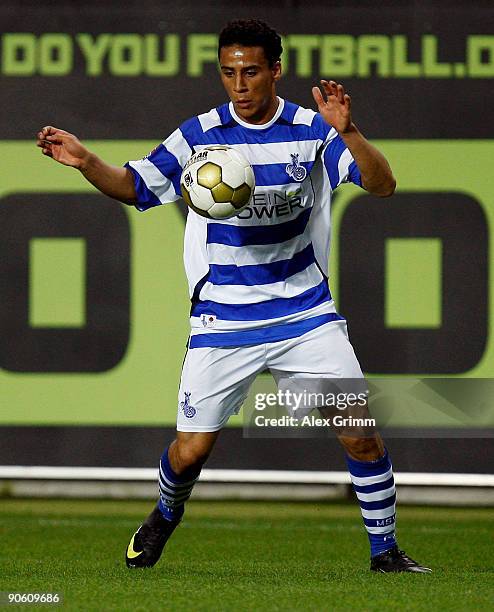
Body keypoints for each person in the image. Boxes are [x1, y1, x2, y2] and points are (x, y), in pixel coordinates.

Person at [36, 19, 430, 574]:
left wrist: (350, 133)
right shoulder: (199, 134)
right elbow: (136, 185)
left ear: (275, 70)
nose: (238, 84)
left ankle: (385, 551)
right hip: (224, 317)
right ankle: (164, 515)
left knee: (359, 433)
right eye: (228, 72)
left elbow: (382, 185)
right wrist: (87, 163)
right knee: (191, 451)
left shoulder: (311, 129)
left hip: (305, 312)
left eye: (250, 71)